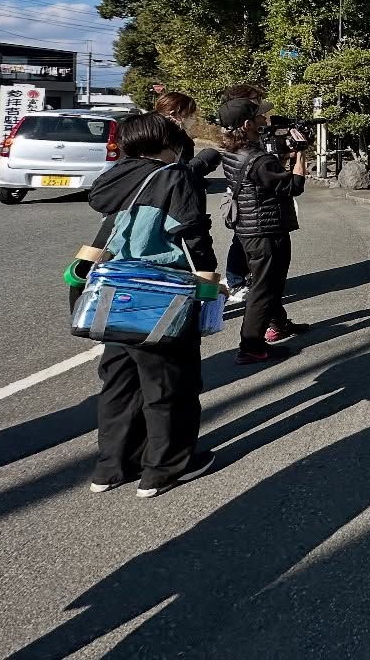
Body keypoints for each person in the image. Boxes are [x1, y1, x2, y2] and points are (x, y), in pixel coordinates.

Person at [85, 112, 216, 499]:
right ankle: (164, 468)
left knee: (119, 382)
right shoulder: (173, 177)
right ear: (164, 142)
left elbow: (107, 229)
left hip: (116, 288)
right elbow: (192, 237)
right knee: (168, 383)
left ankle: (112, 466)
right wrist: (209, 286)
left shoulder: (115, 177)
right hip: (160, 291)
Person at [217, 95, 309, 364]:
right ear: (247, 124)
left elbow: (264, 178)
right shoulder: (258, 159)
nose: (264, 120)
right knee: (263, 288)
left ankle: (279, 324)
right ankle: (251, 347)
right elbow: (294, 186)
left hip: (248, 227)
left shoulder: (233, 152)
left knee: (268, 283)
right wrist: (301, 154)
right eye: (259, 116)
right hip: (265, 230)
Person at [217, 83, 268, 298]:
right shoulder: (241, 141)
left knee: (242, 238)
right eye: (254, 98)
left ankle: (240, 278)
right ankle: (236, 280)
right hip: (250, 203)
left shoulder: (233, 136)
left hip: (245, 200)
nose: (258, 103)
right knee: (242, 240)